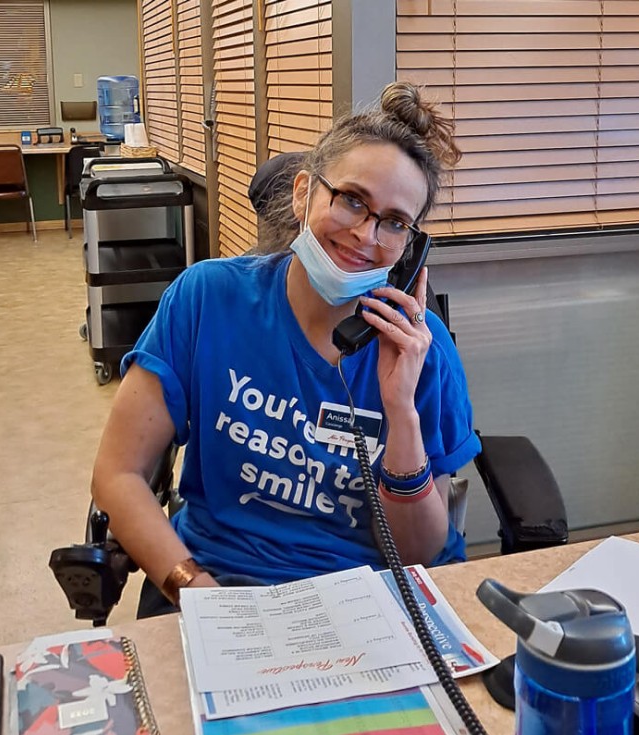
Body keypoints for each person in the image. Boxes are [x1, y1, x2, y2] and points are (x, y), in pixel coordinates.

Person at [91, 81, 482, 618]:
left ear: (409, 247)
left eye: (393, 222)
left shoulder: (424, 352)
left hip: (366, 604)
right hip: (217, 584)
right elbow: (118, 474)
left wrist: (401, 411)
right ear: (304, 194)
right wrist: (198, 594)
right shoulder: (207, 299)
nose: (367, 235)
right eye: (352, 201)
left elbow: (417, 553)